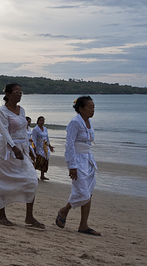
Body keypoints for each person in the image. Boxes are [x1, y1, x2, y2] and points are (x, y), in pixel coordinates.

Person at [0, 83, 44, 228]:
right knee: (4, 181)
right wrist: (14, 147)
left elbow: (23, 131)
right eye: (16, 92)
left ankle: (29, 216)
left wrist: (29, 151)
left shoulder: (21, 110)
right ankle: (2, 215)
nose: (19, 94)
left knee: (32, 180)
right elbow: (4, 131)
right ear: (8, 94)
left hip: (22, 149)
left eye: (21, 92)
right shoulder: (2, 111)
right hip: (6, 150)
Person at [55, 96, 101, 236]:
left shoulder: (89, 122)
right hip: (77, 160)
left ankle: (83, 224)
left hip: (88, 160)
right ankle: (64, 210)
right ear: (80, 108)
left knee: (89, 191)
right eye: (89, 107)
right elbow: (69, 144)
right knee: (83, 192)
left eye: (93, 107)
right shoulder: (75, 122)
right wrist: (72, 165)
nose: (92, 110)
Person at [32, 116, 54, 180]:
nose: (42, 122)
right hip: (38, 146)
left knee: (45, 161)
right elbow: (34, 139)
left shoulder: (45, 129)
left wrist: (49, 146)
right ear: (38, 121)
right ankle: (33, 175)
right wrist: (34, 148)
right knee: (39, 161)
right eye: (40, 120)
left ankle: (42, 175)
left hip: (45, 146)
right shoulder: (35, 129)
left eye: (43, 120)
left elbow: (47, 138)